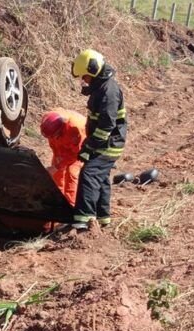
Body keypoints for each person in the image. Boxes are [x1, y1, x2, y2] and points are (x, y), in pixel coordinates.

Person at [69, 49, 128, 231]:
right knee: (101, 179)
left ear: (94, 72)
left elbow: (106, 126)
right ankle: (103, 219)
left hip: (109, 144)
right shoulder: (102, 88)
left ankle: (84, 222)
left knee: (89, 175)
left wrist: (90, 147)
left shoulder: (108, 92)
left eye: (85, 76)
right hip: (106, 142)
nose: (83, 80)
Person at [40, 109, 87, 206]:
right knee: (56, 174)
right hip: (63, 144)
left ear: (60, 130)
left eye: (55, 136)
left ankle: (70, 207)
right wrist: (57, 163)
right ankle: (58, 203)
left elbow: (76, 154)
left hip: (78, 149)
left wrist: (57, 166)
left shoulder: (75, 129)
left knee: (72, 173)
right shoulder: (48, 120)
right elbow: (53, 143)